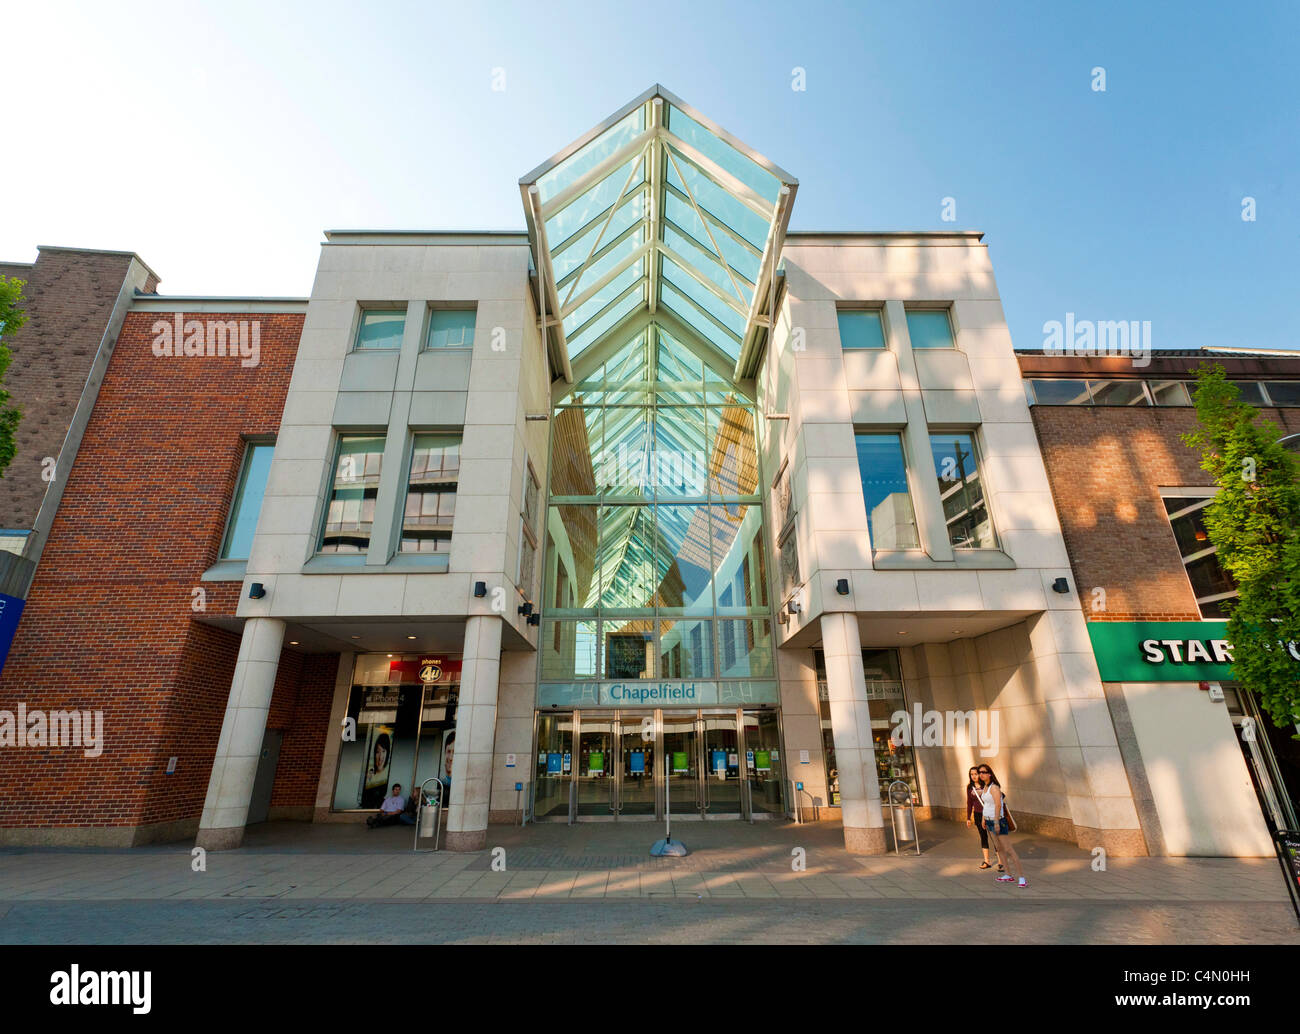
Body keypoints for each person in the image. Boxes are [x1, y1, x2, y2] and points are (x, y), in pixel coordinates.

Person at [976, 765, 1026, 887]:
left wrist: (997, 821)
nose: (981, 774)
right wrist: (983, 819)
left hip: (997, 821)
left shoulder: (994, 788)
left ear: (990, 774)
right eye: (979, 772)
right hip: (988, 821)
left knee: (1009, 849)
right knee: (999, 848)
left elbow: (998, 805)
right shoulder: (986, 787)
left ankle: (1022, 878)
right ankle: (1008, 875)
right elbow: (986, 805)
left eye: (983, 772)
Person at [964, 766, 994, 870]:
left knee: (995, 837)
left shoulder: (986, 785)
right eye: (971, 774)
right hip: (977, 814)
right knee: (983, 836)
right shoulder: (969, 787)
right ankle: (987, 861)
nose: (974, 776)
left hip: (989, 814)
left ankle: (1000, 862)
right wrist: (968, 818)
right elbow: (969, 803)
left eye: (975, 774)